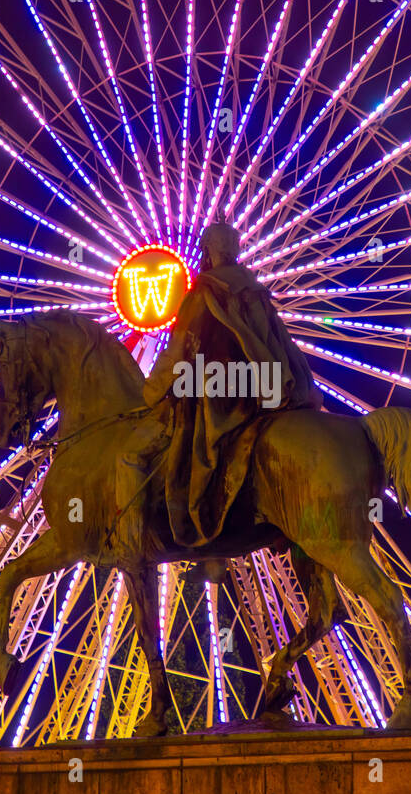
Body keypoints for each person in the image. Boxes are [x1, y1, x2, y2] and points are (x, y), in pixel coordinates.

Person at [111, 221, 320, 560]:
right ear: (235, 251)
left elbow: (180, 349)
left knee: (131, 454)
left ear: (208, 250)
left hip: (217, 397)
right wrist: (297, 387)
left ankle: (132, 543)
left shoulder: (203, 293)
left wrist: (150, 394)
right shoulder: (256, 291)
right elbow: (282, 345)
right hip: (265, 390)